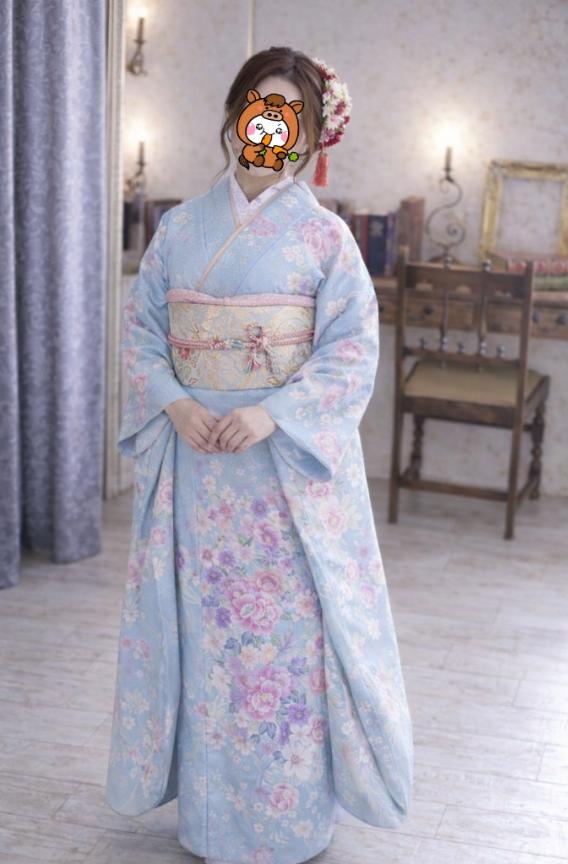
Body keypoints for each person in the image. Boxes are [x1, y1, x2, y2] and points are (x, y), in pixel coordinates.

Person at [105, 45, 413, 864]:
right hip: (197, 469)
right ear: (235, 116)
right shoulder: (180, 229)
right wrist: (176, 402)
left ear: (309, 138)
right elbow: (143, 334)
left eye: (290, 118)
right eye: (259, 109)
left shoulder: (325, 239)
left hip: (281, 479)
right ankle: (208, 821)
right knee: (206, 638)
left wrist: (273, 414)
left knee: (282, 644)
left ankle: (287, 822)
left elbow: (350, 351)